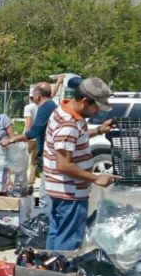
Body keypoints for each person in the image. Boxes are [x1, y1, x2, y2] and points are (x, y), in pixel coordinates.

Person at [41, 77, 119, 251]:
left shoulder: (64, 111)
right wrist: (95, 178)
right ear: (85, 101)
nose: (98, 112)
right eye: (96, 107)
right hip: (70, 193)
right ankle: (61, 274)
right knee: (68, 239)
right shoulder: (68, 124)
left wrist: (99, 130)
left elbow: (76, 137)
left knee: (57, 231)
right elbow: (64, 164)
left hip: (58, 190)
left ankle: (49, 271)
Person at [3, 80, 60, 197]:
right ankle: (31, 186)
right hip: (43, 148)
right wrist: (58, 82)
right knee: (34, 165)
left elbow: (32, 131)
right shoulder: (51, 104)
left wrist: (11, 140)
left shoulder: (45, 107)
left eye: (33, 95)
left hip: (44, 150)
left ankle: (40, 207)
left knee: (21, 163)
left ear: (38, 96)